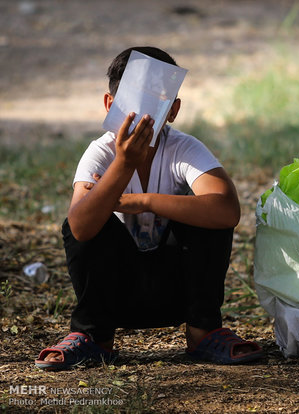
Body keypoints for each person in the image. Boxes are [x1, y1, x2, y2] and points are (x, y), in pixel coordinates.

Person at [35, 46, 263, 371]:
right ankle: (92, 337)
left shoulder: (183, 148)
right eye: (132, 100)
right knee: (83, 219)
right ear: (110, 105)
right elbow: (80, 227)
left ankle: (204, 332)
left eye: (156, 101)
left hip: (178, 293)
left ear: (173, 110)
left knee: (206, 215)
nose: (143, 114)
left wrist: (140, 201)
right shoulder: (100, 153)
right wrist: (123, 164)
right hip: (116, 295)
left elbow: (227, 210)